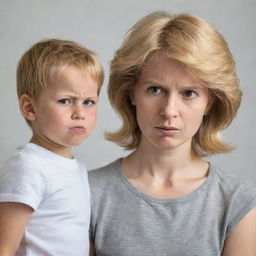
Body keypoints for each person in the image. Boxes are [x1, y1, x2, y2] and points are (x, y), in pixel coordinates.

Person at [89, 11, 256, 256]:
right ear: (132, 92)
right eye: (155, 89)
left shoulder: (236, 201)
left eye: (189, 93)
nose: (169, 111)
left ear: (210, 102)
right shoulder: (88, 193)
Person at [0, 39, 103, 256]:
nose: (80, 113)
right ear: (29, 108)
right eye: (66, 101)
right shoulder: (28, 166)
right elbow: (4, 247)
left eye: (89, 102)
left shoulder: (77, 168)